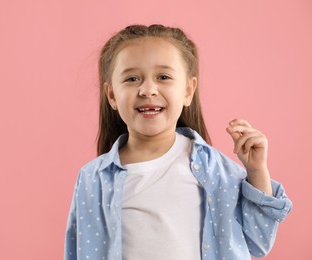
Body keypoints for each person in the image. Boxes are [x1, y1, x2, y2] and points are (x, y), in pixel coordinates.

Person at [64, 24, 292, 260]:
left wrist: (256, 170)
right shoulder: (93, 178)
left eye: (163, 77)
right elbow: (79, 251)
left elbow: (259, 242)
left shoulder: (214, 169)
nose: (147, 89)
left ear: (188, 91)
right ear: (111, 95)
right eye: (132, 78)